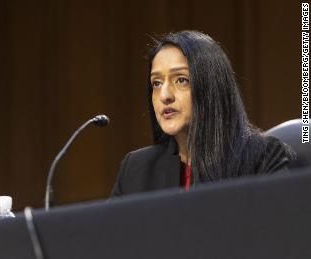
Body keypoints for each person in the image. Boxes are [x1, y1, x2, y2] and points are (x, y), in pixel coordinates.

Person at [111, 30, 294, 197]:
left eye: (181, 80)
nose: (164, 95)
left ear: (211, 88)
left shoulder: (261, 158)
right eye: (156, 83)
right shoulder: (136, 169)